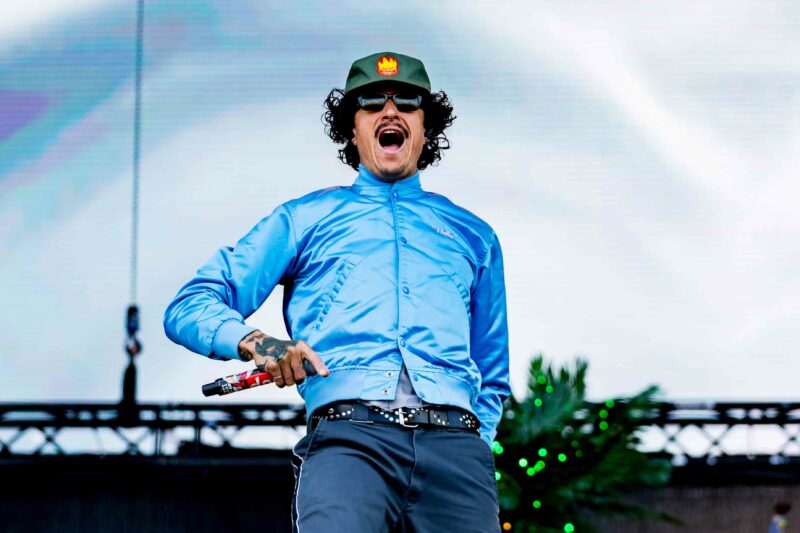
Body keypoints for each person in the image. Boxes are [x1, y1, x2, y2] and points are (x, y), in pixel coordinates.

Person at [163, 51, 510, 532]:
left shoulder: (475, 235)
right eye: (371, 103)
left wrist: (473, 447)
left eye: (407, 103)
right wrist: (260, 343)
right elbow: (190, 304)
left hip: (456, 454)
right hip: (350, 444)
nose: (390, 112)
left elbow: (492, 374)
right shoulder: (303, 219)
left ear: (427, 128)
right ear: (352, 129)